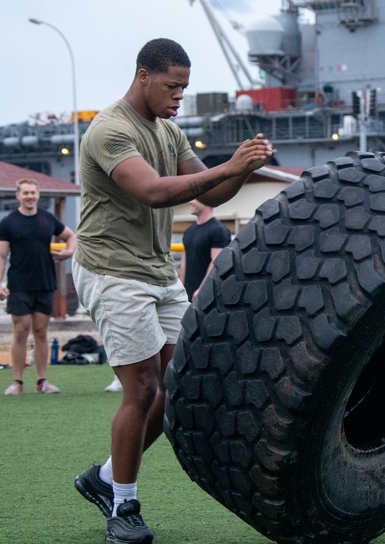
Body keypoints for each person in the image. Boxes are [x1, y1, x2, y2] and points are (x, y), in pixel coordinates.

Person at [71, 38, 274, 544]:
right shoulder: (110, 130)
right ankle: (124, 506)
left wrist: (241, 168)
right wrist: (228, 168)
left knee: (185, 385)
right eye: (173, 85)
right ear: (143, 76)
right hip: (111, 270)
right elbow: (153, 191)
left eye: (185, 86)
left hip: (158, 272)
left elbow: (206, 190)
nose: (180, 95)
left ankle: (104, 479)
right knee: (142, 387)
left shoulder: (169, 130)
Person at [0, 178, 77, 395]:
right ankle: (17, 382)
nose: (30, 196)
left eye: (33, 193)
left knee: (41, 331)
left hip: (45, 282)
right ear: (18, 195)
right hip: (19, 285)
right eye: (26, 193)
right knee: (20, 331)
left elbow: (71, 237)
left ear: (38, 195)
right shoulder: (8, 222)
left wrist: (69, 251)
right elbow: (0, 255)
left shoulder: (47, 219)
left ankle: (42, 381)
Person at [178, 199, 231, 301]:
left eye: (195, 199)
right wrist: (180, 289)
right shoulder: (189, 231)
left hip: (208, 298)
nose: (190, 202)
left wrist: (202, 290)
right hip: (188, 295)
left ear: (207, 198)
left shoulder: (219, 231)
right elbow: (184, 262)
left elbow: (216, 263)